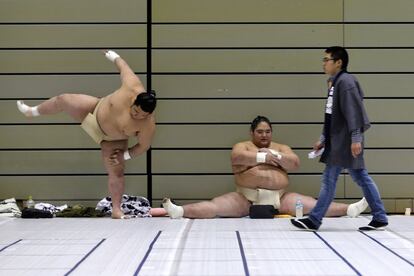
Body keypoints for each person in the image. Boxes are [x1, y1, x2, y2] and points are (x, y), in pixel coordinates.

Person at [17, 50, 166, 219]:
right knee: (64, 99)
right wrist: (113, 56)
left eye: (143, 116)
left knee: (117, 173)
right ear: (134, 101)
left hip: (112, 141)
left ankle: (117, 210)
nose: (138, 116)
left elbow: (143, 146)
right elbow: (123, 67)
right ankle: (32, 111)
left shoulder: (148, 125)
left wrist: (124, 156)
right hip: (93, 111)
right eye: (136, 111)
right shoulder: (132, 86)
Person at [162, 116, 367, 219]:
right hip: (245, 197)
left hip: (281, 198)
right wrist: (265, 157)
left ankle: (348, 209)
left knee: (314, 205)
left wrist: (273, 155)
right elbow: (237, 158)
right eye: (260, 131)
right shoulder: (243, 146)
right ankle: (179, 211)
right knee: (215, 207)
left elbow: (294, 162)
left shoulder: (280, 147)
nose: (264, 135)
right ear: (252, 132)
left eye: (267, 131)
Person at [291, 46, 388, 231]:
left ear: (339, 62)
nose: (323, 63)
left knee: (330, 179)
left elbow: (355, 113)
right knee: (360, 177)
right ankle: (380, 216)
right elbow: (331, 115)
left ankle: (314, 219)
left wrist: (356, 138)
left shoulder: (346, 82)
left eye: (327, 59)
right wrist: (323, 137)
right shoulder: (335, 83)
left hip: (345, 142)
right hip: (339, 141)